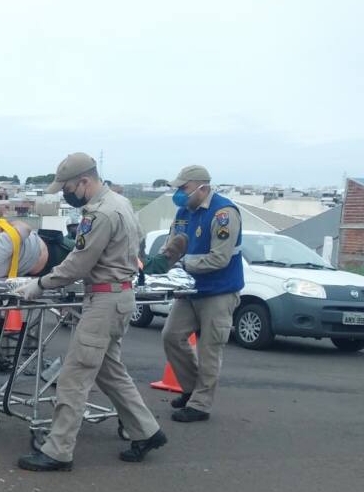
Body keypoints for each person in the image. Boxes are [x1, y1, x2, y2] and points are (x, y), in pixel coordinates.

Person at [14, 152, 167, 471]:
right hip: (117, 297)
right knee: (109, 370)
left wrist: (40, 283)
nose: (67, 195)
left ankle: (58, 451)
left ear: (84, 181)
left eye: (68, 188)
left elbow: (79, 263)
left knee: (74, 376)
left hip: (104, 300)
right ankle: (147, 431)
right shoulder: (120, 203)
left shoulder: (100, 213)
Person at [144, 165, 243, 423]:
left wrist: (184, 263)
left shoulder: (223, 213)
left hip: (219, 291)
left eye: (183, 188)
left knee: (210, 349)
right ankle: (191, 389)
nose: (179, 193)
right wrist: (159, 263)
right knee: (171, 336)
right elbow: (172, 246)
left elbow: (219, 258)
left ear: (202, 186)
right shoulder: (183, 212)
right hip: (189, 289)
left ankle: (200, 404)